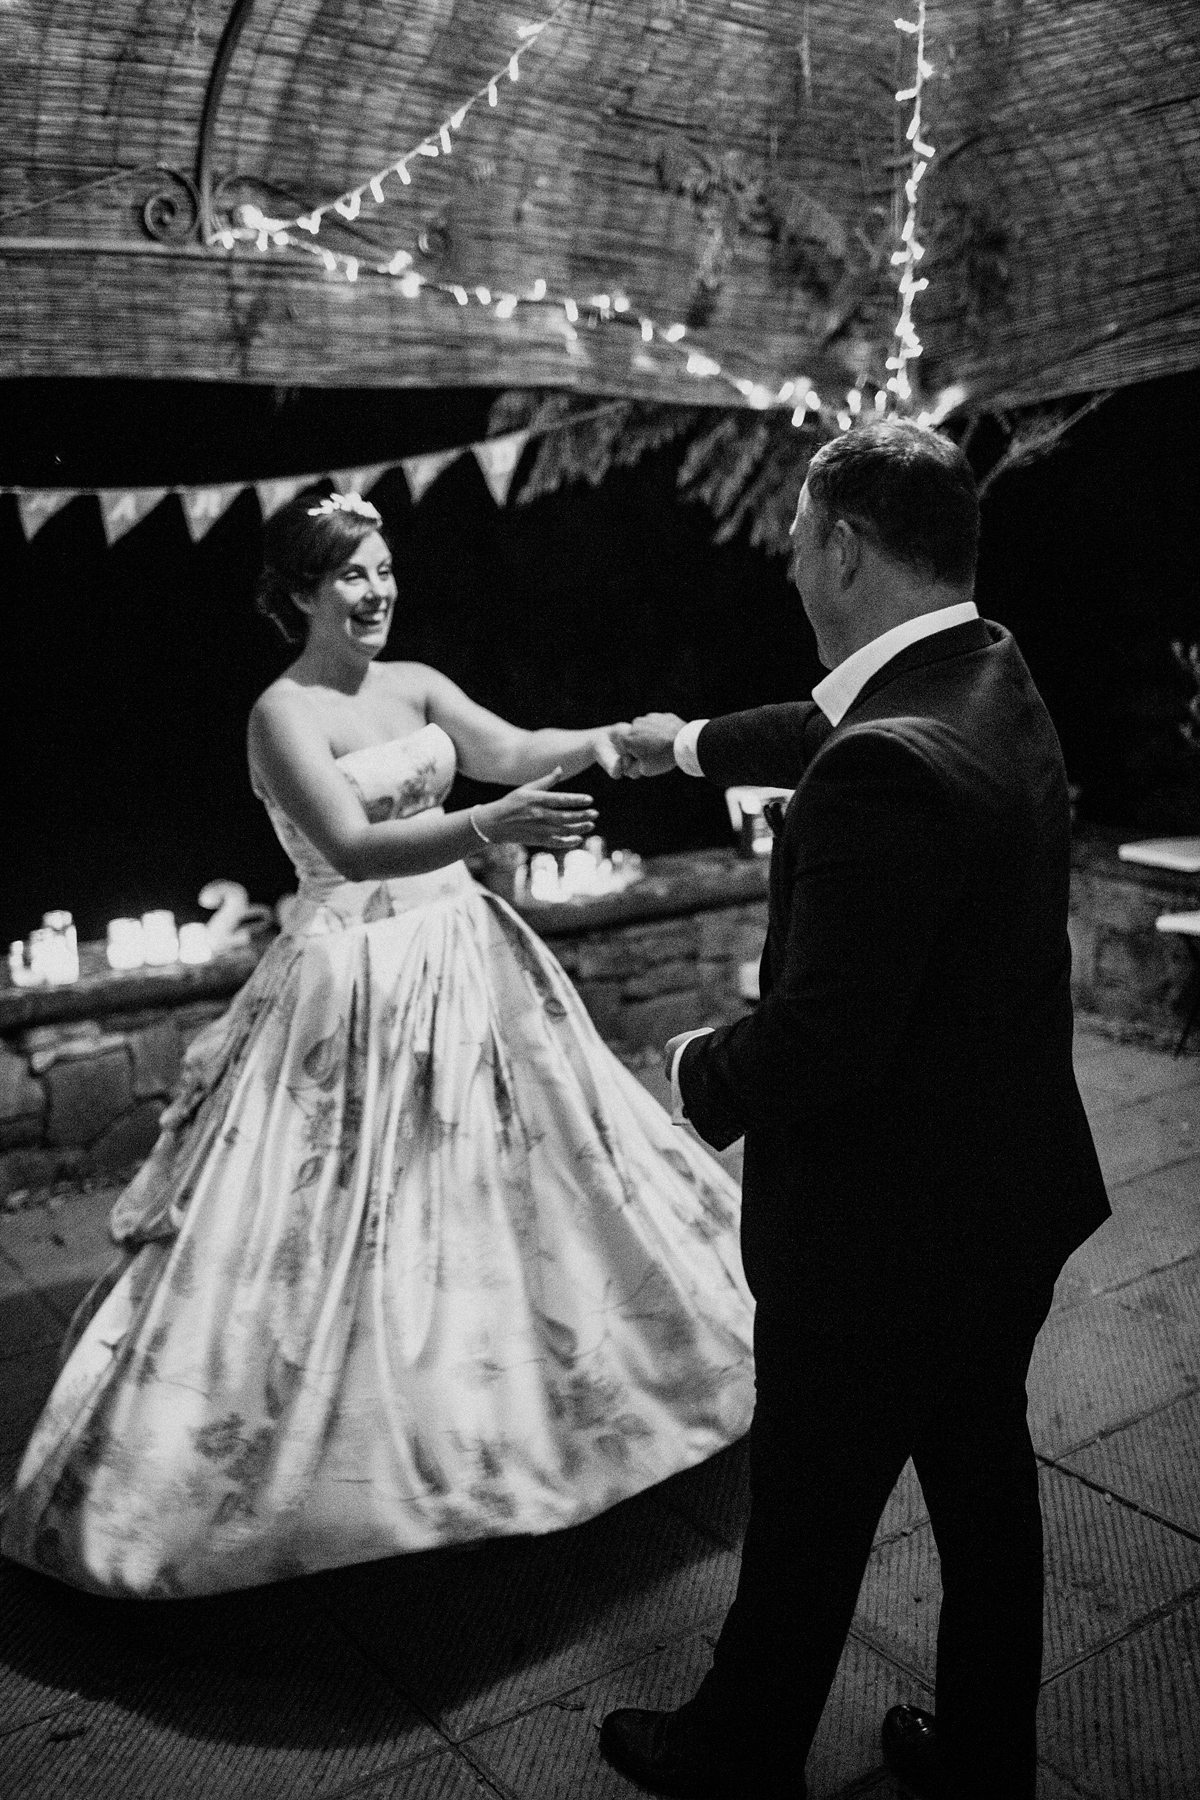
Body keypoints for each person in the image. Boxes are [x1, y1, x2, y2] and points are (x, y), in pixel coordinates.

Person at [1, 489, 754, 1598]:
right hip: (349, 982)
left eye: (386, 569)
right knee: (342, 1215)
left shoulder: (414, 685)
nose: (378, 590)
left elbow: (504, 746)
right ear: (301, 592)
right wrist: (491, 826)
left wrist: (605, 742)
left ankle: (536, 1412)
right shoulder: (281, 714)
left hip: (466, 953)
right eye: (352, 574)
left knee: (517, 1189)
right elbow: (351, 845)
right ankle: (352, 1471)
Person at [599, 421, 1109, 1800]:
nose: (784, 556)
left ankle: (735, 1752)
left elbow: (825, 1041)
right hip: (1012, 1193)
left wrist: (692, 1074)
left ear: (844, 545)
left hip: (891, 1232)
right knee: (985, 1486)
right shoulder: (989, 670)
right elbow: (831, 720)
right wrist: (685, 745)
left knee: (811, 1506)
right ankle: (987, 1752)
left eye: (796, 534)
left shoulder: (883, 769)